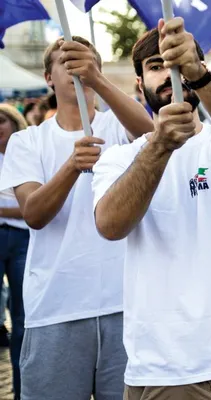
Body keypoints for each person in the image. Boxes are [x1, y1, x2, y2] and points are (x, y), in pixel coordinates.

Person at [92, 21, 211, 397]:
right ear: (139, 84)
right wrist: (160, 145)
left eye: (176, 63)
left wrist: (198, 73)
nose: (168, 74)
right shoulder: (119, 158)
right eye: (155, 66)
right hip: (163, 369)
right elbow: (111, 225)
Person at [0, 35, 151, 399]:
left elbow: (154, 137)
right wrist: (71, 166)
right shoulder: (28, 141)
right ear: (48, 76)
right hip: (56, 309)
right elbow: (34, 214)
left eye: (84, 61)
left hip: (126, 304)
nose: (76, 69)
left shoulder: (117, 127)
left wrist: (97, 79)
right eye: (66, 62)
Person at [0, 104, 29, 394]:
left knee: (21, 317)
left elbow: (32, 210)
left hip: (23, 240)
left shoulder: (26, 155)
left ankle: (21, 390)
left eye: (1, 121)